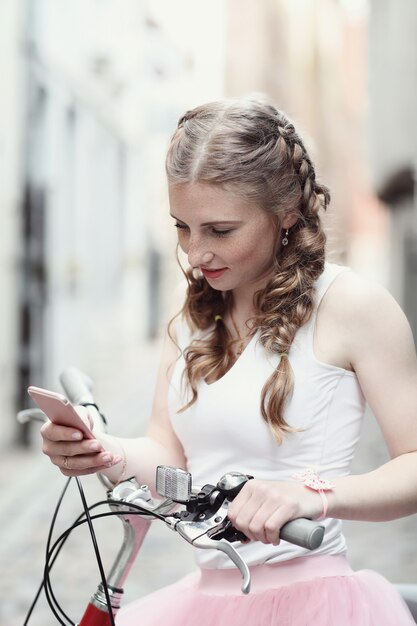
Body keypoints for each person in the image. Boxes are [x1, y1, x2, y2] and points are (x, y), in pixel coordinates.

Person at [41, 95, 417, 625]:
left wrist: (313, 497)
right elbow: (168, 458)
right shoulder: (194, 309)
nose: (195, 254)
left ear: (285, 212)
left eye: (220, 231)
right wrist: (101, 451)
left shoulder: (352, 306)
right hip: (206, 599)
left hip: (313, 600)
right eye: (181, 226)